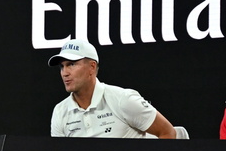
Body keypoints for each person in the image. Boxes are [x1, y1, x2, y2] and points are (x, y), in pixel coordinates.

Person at [49, 39, 177, 138]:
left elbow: (167, 132)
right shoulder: (60, 111)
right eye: (61, 66)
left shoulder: (123, 100)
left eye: (72, 64)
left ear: (92, 67)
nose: (64, 73)